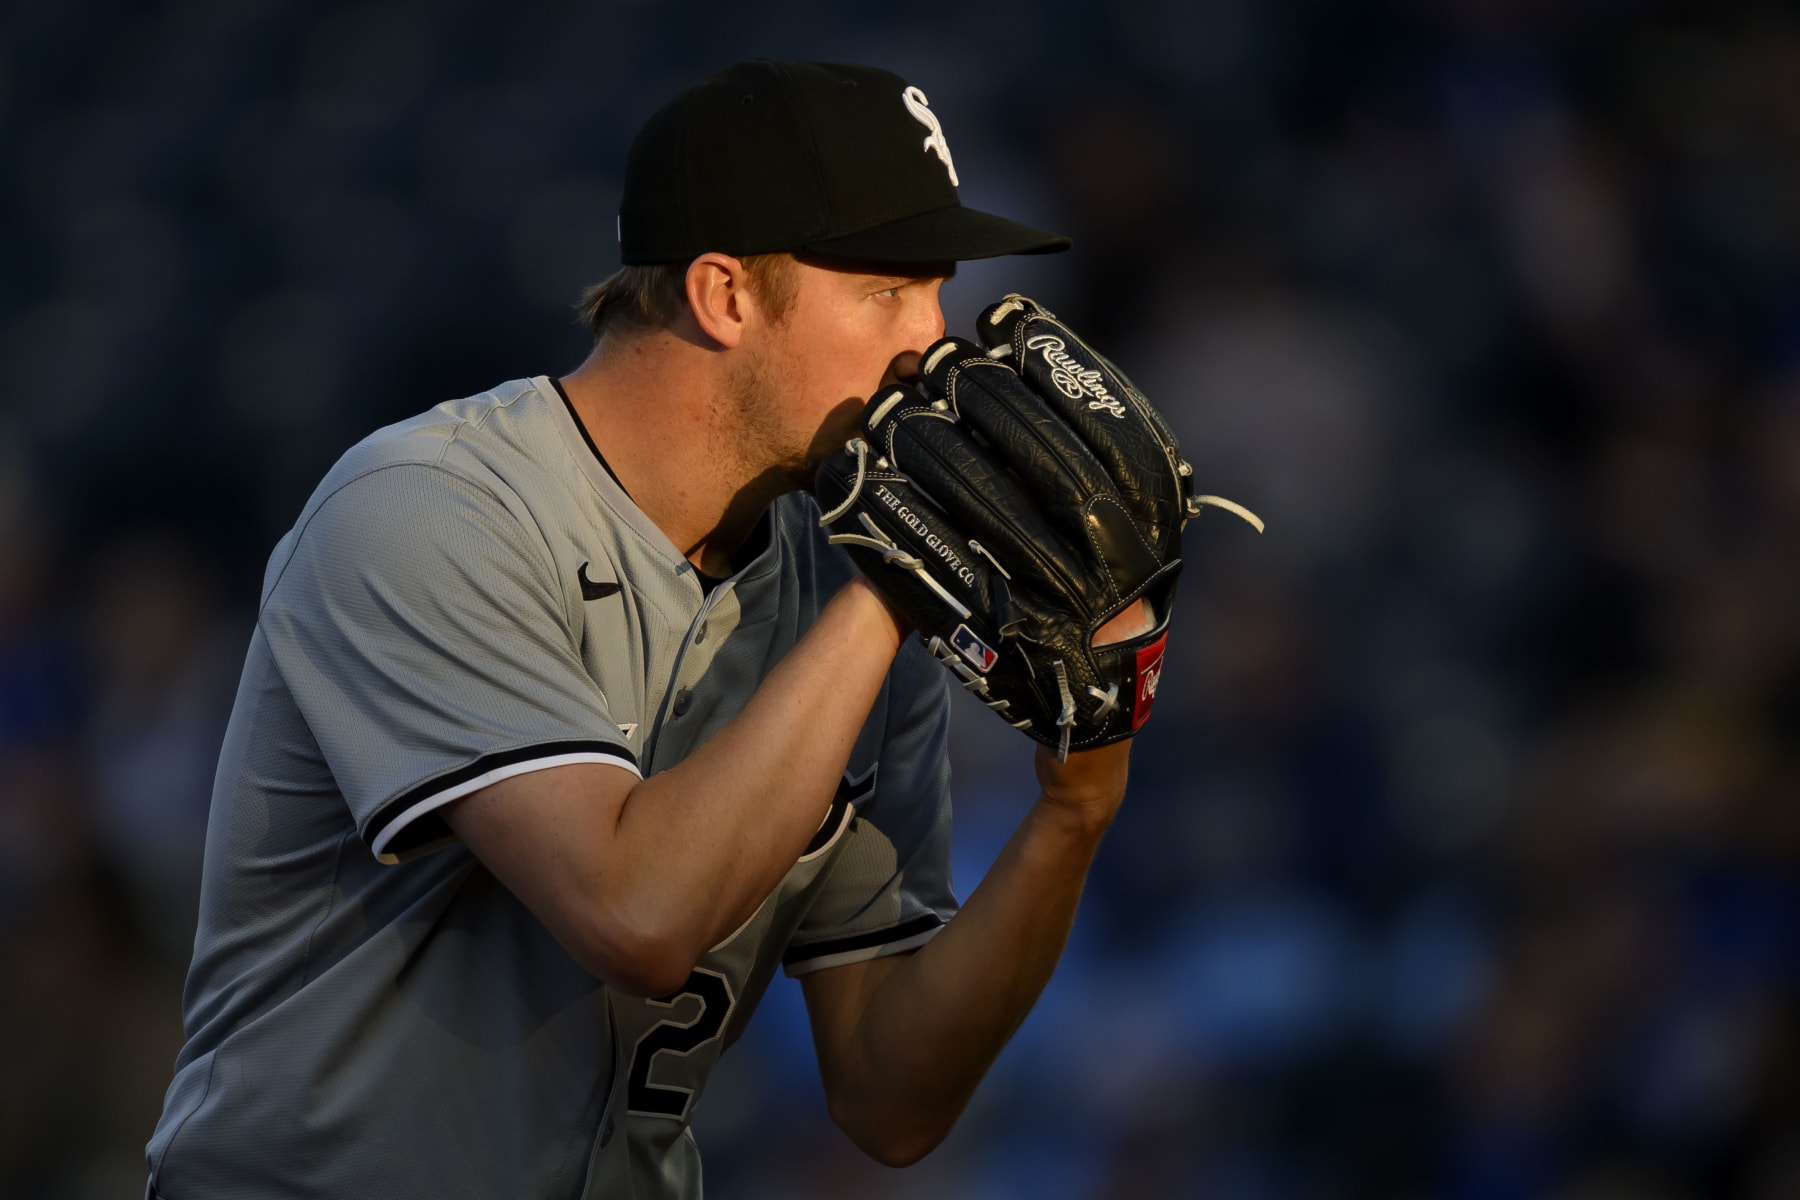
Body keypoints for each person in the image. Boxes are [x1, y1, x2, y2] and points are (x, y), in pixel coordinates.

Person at [145, 59, 1154, 1199]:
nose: (934, 342)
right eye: (888, 290)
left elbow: (890, 1099)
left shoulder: (852, 586)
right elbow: (636, 914)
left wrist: (1076, 811)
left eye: (938, 290)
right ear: (724, 294)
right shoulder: (428, 504)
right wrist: (895, 586)